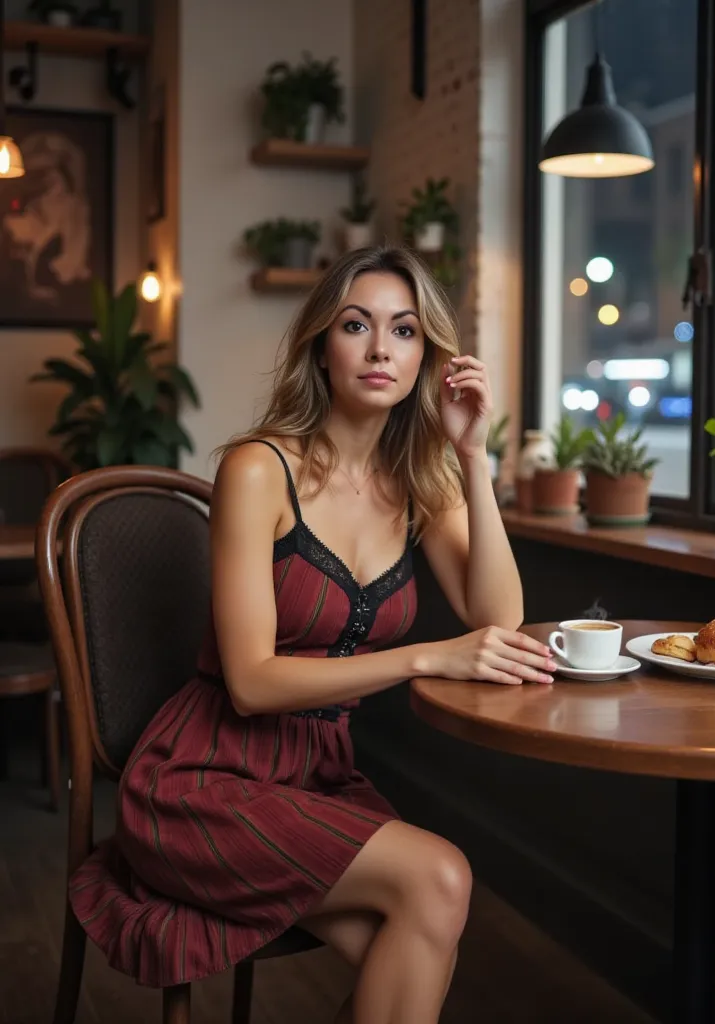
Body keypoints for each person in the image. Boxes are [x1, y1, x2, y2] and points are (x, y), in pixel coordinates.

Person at [69, 245, 556, 1024]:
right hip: (203, 781)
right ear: (321, 347)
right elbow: (253, 682)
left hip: (313, 778)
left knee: (417, 933)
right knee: (441, 878)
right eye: (356, 326)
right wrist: (427, 654)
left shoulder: (418, 479)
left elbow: (498, 617)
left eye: (403, 332)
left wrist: (471, 456)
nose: (378, 349)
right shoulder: (259, 470)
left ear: (426, 356)